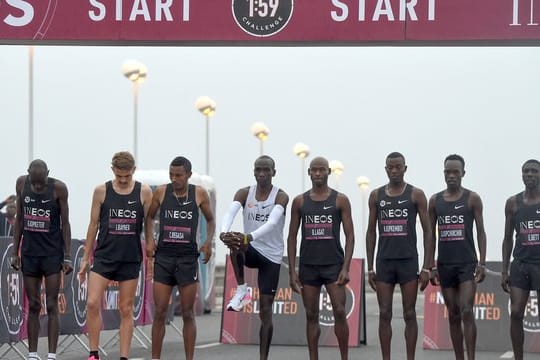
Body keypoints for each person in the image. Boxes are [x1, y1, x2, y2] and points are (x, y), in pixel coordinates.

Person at [78, 151, 153, 360]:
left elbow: (149, 226)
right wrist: (85, 258)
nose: (122, 180)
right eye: (119, 176)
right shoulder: (101, 191)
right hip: (104, 256)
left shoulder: (144, 192)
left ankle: (123, 356)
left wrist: (151, 257)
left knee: (125, 308)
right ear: (113, 170)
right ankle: (93, 353)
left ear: (133, 171)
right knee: (92, 302)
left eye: (127, 176)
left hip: (130, 258)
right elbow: (93, 225)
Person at [145, 156, 215, 360]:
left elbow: (210, 220)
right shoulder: (161, 192)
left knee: (187, 313)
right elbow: (148, 217)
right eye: (171, 175)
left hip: (187, 258)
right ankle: (155, 358)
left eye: (178, 175)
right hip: (164, 257)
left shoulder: (199, 193)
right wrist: (150, 239)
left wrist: (207, 242)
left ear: (189, 175)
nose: (174, 179)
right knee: (159, 311)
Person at [219, 155, 289, 360]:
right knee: (234, 241)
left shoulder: (281, 196)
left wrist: (249, 237)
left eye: (266, 170)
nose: (261, 174)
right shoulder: (244, 193)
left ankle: (263, 357)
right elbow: (229, 213)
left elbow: (273, 223)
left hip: (271, 256)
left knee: (266, 312)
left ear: (273, 172)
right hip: (251, 249)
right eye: (258, 170)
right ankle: (242, 291)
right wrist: (224, 232)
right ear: (253, 171)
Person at [365, 152, 433, 360]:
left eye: (398, 167)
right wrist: (370, 267)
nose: (394, 171)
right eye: (390, 167)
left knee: (409, 313)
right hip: (384, 262)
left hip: (408, 262)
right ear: (385, 169)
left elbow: (428, 231)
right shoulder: (376, 195)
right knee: (384, 313)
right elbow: (370, 231)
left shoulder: (416, 195)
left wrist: (426, 267)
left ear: (405, 168)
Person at [287, 156, 355, 360]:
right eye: (314, 170)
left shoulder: (340, 199)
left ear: (329, 172)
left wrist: (346, 268)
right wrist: (292, 271)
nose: (318, 173)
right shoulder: (300, 201)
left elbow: (350, 235)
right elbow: (292, 236)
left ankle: (344, 357)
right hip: (309, 267)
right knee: (311, 316)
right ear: (309, 172)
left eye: (322, 170)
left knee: (340, 311)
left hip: (333, 266)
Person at [11, 160, 72, 360]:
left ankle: (52, 354)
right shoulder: (21, 184)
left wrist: (68, 256)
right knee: (34, 304)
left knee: (52, 303)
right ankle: (33, 353)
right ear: (28, 174)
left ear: (48, 173)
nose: (37, 187)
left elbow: (65, 223)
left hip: (52, 254)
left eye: (41, 183)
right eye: (34, 183)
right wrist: (15, 252)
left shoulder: (59, 189)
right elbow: (19, 219)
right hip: (29, 254)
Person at [428, 154, 487, 360]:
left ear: (463, 173)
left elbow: (480, 231)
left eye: (455, 172)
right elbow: (430, 236)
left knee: (466, 310)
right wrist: (430, 266)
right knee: (453, 314)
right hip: (445, 264)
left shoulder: (472, 198)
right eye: (447, 172)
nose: (451, 176)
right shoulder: (435, 201)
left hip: (467, 263)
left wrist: (482, 262)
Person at [501, 159, 540, 360]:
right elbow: (507, 238)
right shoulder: (513, 203)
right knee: (516, 312)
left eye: (534, 171)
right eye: (526, 171)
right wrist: (505, 270)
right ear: (521, 174)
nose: (530, 174)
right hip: (520, 264)